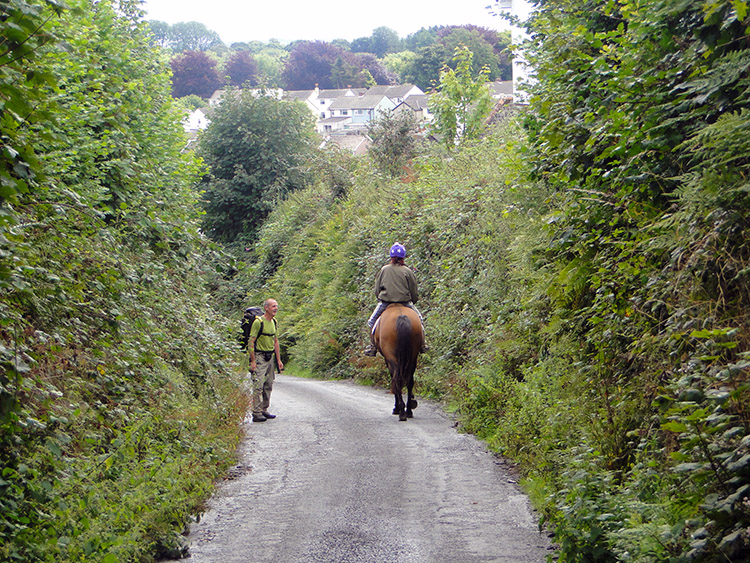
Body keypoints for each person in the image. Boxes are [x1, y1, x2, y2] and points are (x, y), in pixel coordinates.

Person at [364, 242, 425, 356]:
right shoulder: (407, 271)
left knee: (371, 322)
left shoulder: (384, 270)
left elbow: (377, 290)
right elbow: (414, 291)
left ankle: (372, 347)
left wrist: (380, 298)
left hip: (386, 303)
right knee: (420, 320)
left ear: (391, 257)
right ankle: (422, 345)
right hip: (405, 303)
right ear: (403, 257)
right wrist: (413, 300)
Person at [248, 298, 284, 422]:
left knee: (268, 384)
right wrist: (253, 361)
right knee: (258, 385)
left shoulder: (274, 321)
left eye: (276, 306)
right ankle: (256, 412)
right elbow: (251, 342)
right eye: (273, 306)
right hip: (259, 357)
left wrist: (279, 360)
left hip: (270, 357)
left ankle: (264, 409)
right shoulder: (258, 323)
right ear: (266, 308)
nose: (276, 308)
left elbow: (275, 341)